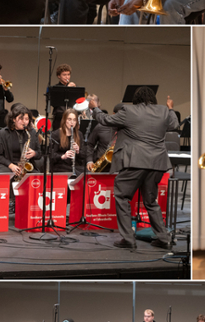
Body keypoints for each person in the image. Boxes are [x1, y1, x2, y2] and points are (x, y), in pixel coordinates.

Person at [97, 86, 178, 249]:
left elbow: (105, 120)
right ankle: (163, 238)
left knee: (122, 195)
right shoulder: (164, 111)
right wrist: (170, 109)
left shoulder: (129, 110)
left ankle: (128, 238)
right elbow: (175, 125)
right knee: (150, 201)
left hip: (135, 161)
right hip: (157, 163)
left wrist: (95, 109)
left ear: (136, 99)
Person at [0, 102, 39, 178]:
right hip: (6, 164)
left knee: (37, 178)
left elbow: (40, 153)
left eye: (26, 119)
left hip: (24, 165)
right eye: (21, 119)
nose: (24, 122)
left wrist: (34, 153)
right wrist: (11, 166)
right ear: (14, 119)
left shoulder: (31, 132)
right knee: (6, 175)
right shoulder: (2, 133)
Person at [49, 108, 82, 174]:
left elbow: (84, 155)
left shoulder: (79, 134)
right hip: (59, 165)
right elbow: (51, 155)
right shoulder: (56, 134)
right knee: (76, 173)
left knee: (87, 173)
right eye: (69, 119)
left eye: (74, 120)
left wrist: (78, 151)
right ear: (64, 120)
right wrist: (63, 156)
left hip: (74, 165)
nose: (72, 122)